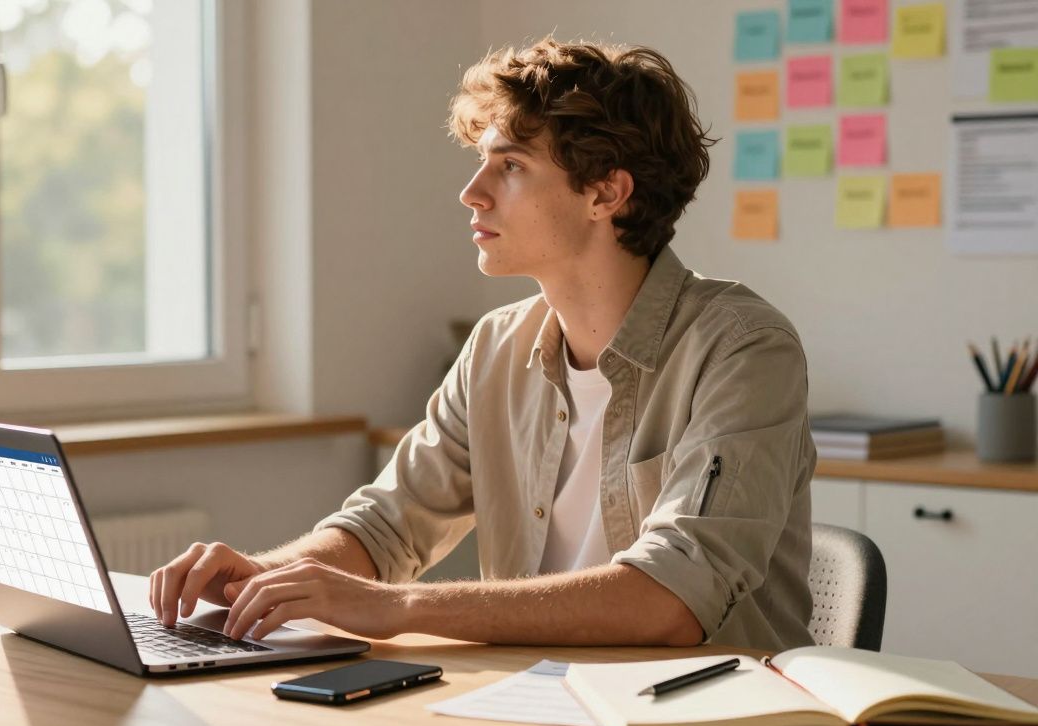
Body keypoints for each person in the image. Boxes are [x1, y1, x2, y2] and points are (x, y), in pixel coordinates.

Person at [149, 37, 816, 651]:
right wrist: (262, 577)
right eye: (482, 163)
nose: (473, 193)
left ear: (606, 193)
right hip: (534, 705)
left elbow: (672, 597)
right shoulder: (496, 346)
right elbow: (386, 528)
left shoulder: (743, 349)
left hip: (704, 714)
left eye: (512, 166)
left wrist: (401, 606)